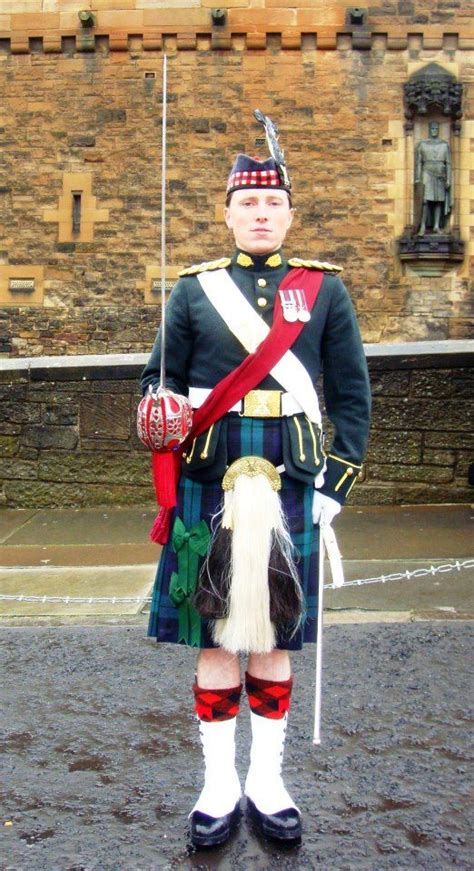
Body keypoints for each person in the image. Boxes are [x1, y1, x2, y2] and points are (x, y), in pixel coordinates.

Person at [140, 115, 371, 848]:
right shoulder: (194, 290)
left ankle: (267, 779)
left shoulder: (324, 292)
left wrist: (334, 485)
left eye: (273, 204)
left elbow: (353, 397)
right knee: (213, 635)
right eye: (248, 204)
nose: (262, 214)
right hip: (211, 476)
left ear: (290, 212)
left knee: (273, 638)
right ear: (229, 212)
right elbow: (159, 379)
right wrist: (157, 409)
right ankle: (217, 783)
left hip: (293, 478)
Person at [415, 121, 452, 235]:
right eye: (432, 128)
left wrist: (448, 179)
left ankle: (436, 226)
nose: (434, 131)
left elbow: (448, 163)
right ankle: (422, 225)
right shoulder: (423, 144)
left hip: (440, 174)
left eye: (436, 129)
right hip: (427, 172)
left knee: (438, 201)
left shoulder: (444, 145)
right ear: (429, 129)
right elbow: (419, 163)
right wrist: (418, 177)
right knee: (425, 201)